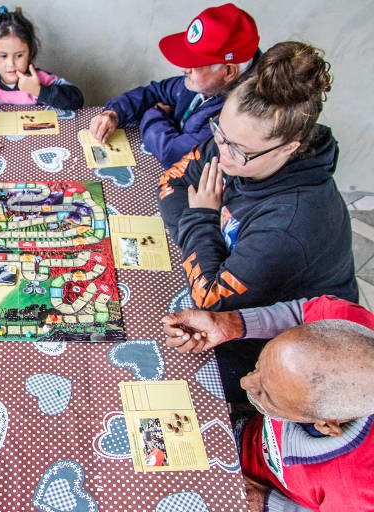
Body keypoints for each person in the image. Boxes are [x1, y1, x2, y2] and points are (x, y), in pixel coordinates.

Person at [157, 41, 357, 314]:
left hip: (294, 338)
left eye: (240, 151)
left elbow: (209, 299)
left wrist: (202, 216)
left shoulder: (291, 223)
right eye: (219, 131)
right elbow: (171, 181)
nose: (222, 153)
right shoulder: (234, 141)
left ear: (289, 148)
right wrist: (206, 249)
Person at [161, 295, 374, 512]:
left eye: (267, 394)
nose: (245, 383)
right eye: (259, 366)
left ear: (326, 425)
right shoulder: (351, 326)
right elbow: (301, 312)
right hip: (241, 434)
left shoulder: (358, 492)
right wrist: (229, 324)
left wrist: (269, 503)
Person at [89, 3, 260, 168]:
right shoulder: (205, 83)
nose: (184, 68)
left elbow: (172, 154)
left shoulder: (239, 118)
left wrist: (154, 114)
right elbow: (154, 92)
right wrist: (114, 112)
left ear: (229, 72)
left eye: (194, 62)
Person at [0, 7, 84, 151]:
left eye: (19, 56)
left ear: (30, 52)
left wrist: (39, 90)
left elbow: (76, 99)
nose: (11, 64)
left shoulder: (39, 79)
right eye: (3, 56)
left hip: (37, 149)